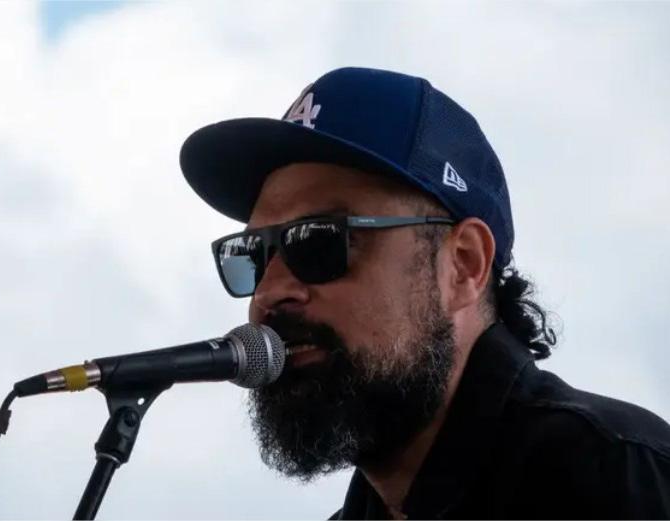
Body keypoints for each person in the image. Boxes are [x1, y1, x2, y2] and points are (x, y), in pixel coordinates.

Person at [179, 67, 670, 519]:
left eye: (319, 242)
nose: (270, 291)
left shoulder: (616, 475)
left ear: (463, 265)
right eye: (251, 253)